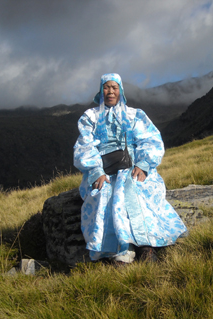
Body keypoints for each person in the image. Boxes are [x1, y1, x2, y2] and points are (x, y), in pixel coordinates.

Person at [73, 73, 187, 264]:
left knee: (138, 192)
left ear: (120, 91)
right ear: (101, 90)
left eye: (114, 87)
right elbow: (85, 146)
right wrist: (95, 171)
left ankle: (147, 248)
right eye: (106, 87)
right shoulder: (90, 117)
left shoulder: (135, 115)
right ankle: (121, 250)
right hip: (104, 170)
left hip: (133, 166)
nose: (110, 91)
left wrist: (144, 164)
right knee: (105, 197)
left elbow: (150, 140)